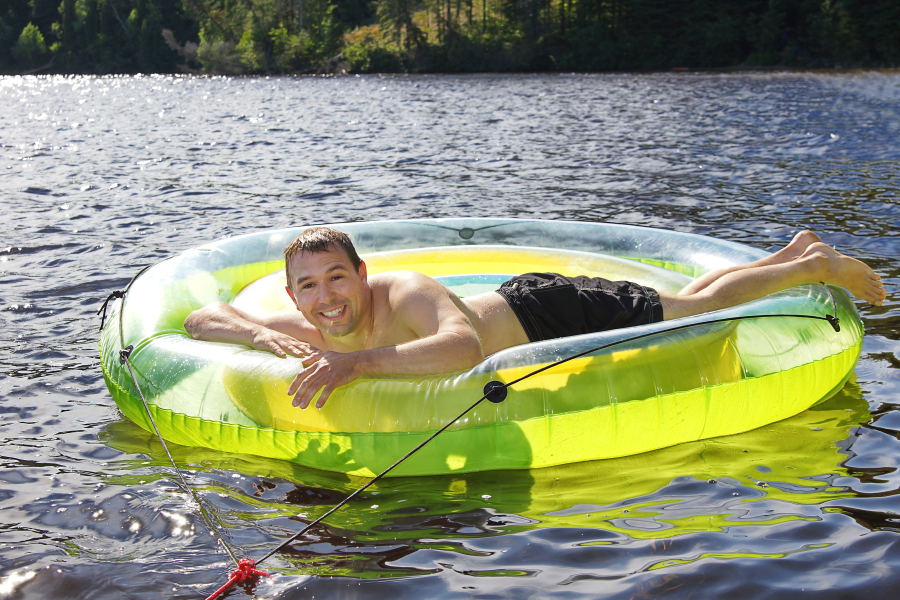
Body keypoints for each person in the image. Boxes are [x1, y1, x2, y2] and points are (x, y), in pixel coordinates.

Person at [184, 227, 885, 411]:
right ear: (292, 293)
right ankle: (790, 252)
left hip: (548, 311)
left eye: (338, 276)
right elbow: (201, 319)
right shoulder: (313, 321)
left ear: (362, 274)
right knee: (688, 297)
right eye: (307, 286)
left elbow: (459, 348)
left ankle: (811, 267)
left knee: (695, 308)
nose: (325, 295)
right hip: (518, 306)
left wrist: (357, 364)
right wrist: (257, 332)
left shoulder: (402, 294)